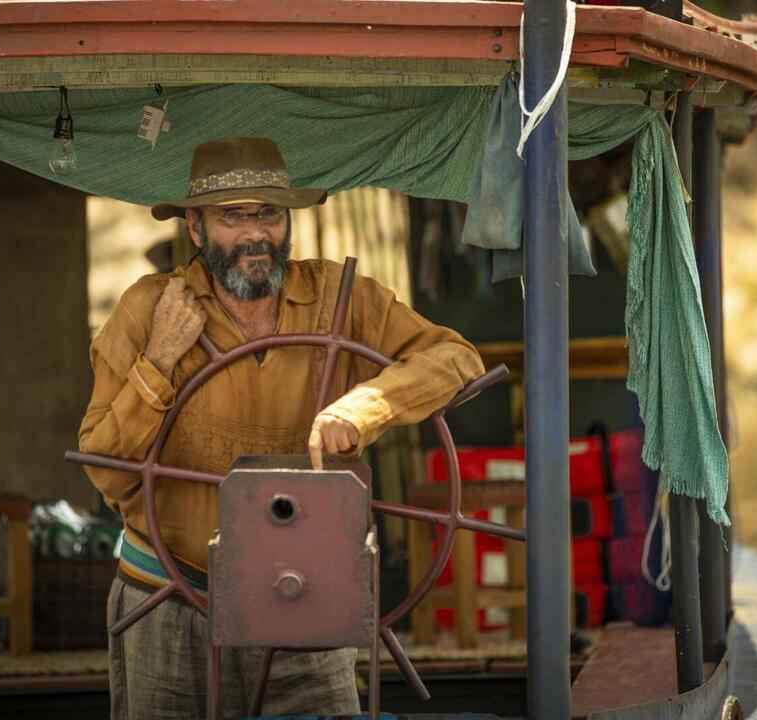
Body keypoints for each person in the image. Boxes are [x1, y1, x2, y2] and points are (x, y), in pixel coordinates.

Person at [78, 136, 484, 719]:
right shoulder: (148, 312)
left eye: (267, 212)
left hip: (301, 591)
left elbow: (456, 358)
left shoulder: (341, 302)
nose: (254, 233)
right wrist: (158, 363)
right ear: (195, 227)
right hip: (167, 598)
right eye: (231, 216)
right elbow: (105, 473)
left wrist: (364, 407)